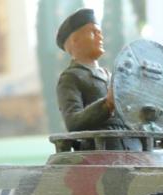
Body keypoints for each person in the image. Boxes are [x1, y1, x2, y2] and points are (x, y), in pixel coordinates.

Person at [54, 8, 129, 137]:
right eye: (94, 32)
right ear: (75, 40)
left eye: (100, 32)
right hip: (100, 146)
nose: (100, 37)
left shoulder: (110, 76)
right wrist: (107, 105)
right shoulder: (71, 78)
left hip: (130, 144)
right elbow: (73, 123)